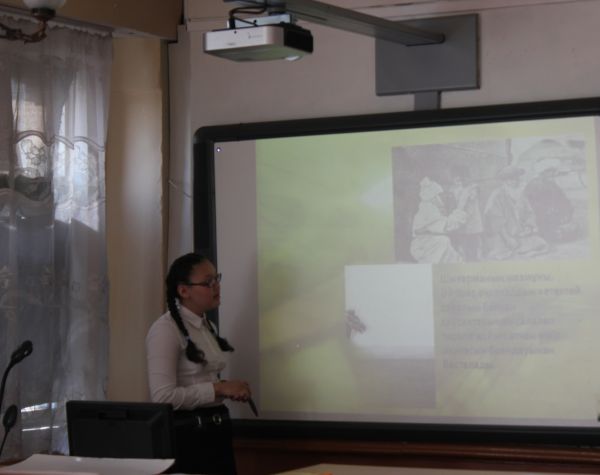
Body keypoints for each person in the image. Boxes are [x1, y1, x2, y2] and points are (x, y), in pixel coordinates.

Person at [146, 252, 252, 475]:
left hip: (216, 429)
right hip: (188, 437)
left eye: (217, 279)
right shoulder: (165, 329)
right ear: (183, 291)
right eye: (208, 282)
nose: (216, 286)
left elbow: (199, 380)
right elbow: (163, 397)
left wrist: (227, 388)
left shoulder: (207, 326)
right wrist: (219, 389)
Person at [483, 166, 549, 260]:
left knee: (541, 244)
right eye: (512, 179)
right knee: (503, 254)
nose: (515, 182)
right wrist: (508, 239)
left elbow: (529, 212)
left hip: (520, 233)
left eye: (517, 179)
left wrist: (529, 226)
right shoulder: (497, 195)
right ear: (505, 181)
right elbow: (496, 222)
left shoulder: (521, 194)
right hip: (502, 237)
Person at [409, 177, 467, 263]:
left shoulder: (430, 207)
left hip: (428, 242)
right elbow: (447, 226)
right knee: (443, 242)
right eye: (440, 195)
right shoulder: (428, 209)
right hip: (425, 246)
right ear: (434, 197)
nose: (443, 198)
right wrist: (461, 205)